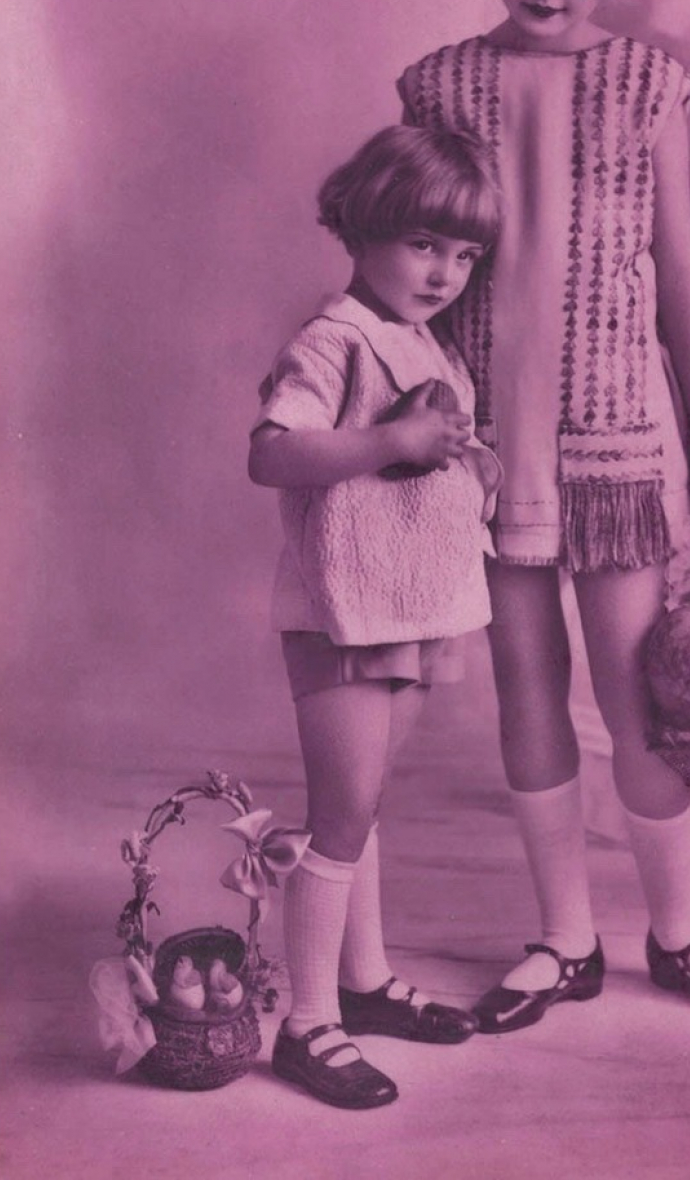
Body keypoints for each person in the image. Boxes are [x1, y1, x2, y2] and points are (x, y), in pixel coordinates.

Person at [397, 0, 690, 1034]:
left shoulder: (647, 84)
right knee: (525, 691)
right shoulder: (438, 88)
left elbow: (681, 272)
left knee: (642, 694)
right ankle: (563, 937)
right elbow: (409, 269)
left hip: (618, 443)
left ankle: (680, 929)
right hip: (486, 445)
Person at [249, 123, 502, 1108]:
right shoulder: (334, 338)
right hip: (342, 611)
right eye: (424, 243)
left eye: (464, 254)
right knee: (339, 815)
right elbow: (273, 452)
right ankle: (308, 1022)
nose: (445, 272)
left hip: (407, 603)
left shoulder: (419, 338)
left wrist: (466, 463)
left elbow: (427, 454)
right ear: (362, 228)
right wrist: (393, 440)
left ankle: (364, 982)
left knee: (364, 806)